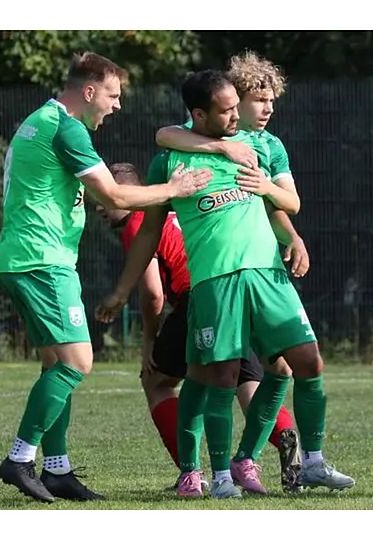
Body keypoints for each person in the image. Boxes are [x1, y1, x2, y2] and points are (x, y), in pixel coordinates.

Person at [96, 70, 355, 499]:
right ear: (198, 114)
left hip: (269, 276)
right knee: (219, 376)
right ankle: (216, 477)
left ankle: (311, 462)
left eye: (239, 106)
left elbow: (288, 202)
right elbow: (148, 230)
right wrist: (122, 291)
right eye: (227, 109)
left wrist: (282, 215)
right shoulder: (172, 161)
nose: (238, 116)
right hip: (214, 284)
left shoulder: (257, 146)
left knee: (307, 363)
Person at [0, 51, 209, 503]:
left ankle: (57, 468)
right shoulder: (66, 127)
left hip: (24, 257)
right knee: (77, 362)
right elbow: (112, 193)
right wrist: (174, 189)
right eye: (112, 94)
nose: (117, 105)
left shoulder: (40, 119)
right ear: (88, 91)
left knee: (57, 363)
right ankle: (19, 457)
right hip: (42, 260)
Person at [97, 162, 308, 493]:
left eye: (106, 194)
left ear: (129, 193)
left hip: (200, 299)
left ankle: (191, 473)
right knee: (247, 381)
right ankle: (284, 438)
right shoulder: (178, 210)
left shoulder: (139, 222)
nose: (100, 203)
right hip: (238, 289)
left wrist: (149, 342)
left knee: (159, 380)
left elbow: (153, 294)